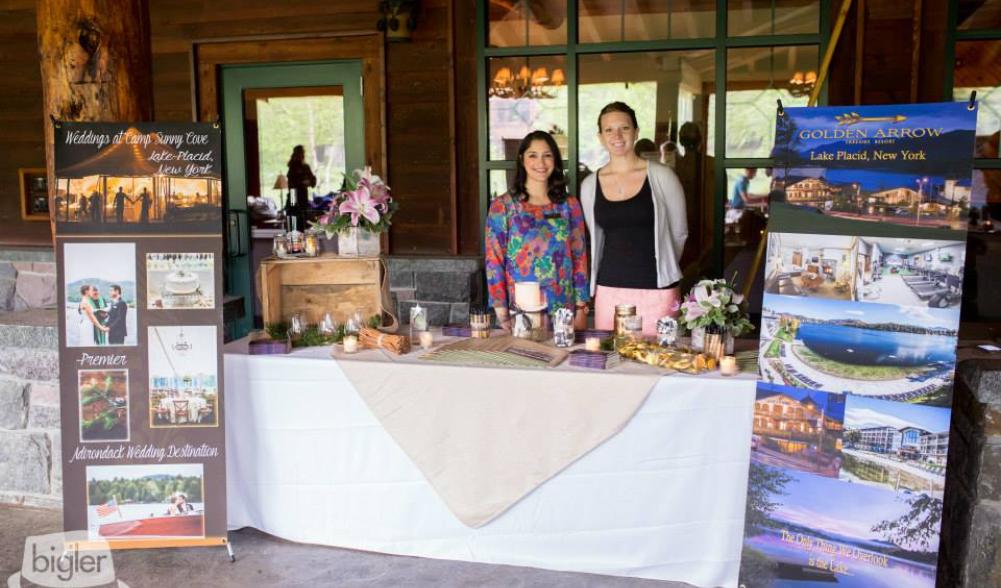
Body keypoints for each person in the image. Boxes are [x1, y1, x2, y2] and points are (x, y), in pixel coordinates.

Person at [580, 102, 688, 335]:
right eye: (609, 130)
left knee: (660, 361)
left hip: (658, 288)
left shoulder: (662, 176)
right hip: (609, 289)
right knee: (611, 361)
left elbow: (679, 233)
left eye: (624, 128)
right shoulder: (589, 185)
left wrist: (664, 264)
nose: (617, 135)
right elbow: (596, 237)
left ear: (636, 132)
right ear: (600, 137)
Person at [485, 130, 589, 331]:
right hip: (522, 309)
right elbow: (494, 260)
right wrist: (501, 310)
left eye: (547, 155)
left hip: (563, 307)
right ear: (521, 158)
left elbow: (580, 257)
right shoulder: (503, 206)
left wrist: (581, 307)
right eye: (533, 155)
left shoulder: (569, 205)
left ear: (555, 160)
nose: (541, 163)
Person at [286, 145, 316, 232]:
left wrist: (308, 182)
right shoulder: (292, 167)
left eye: (303, 153)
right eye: (301, 153)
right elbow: (292, 185)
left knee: (302, 218)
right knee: (293, 218)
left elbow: (313, 180)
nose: (303, 155)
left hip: (303, 195)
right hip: (293, 195)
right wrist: (302, 182)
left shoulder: (306, 167)